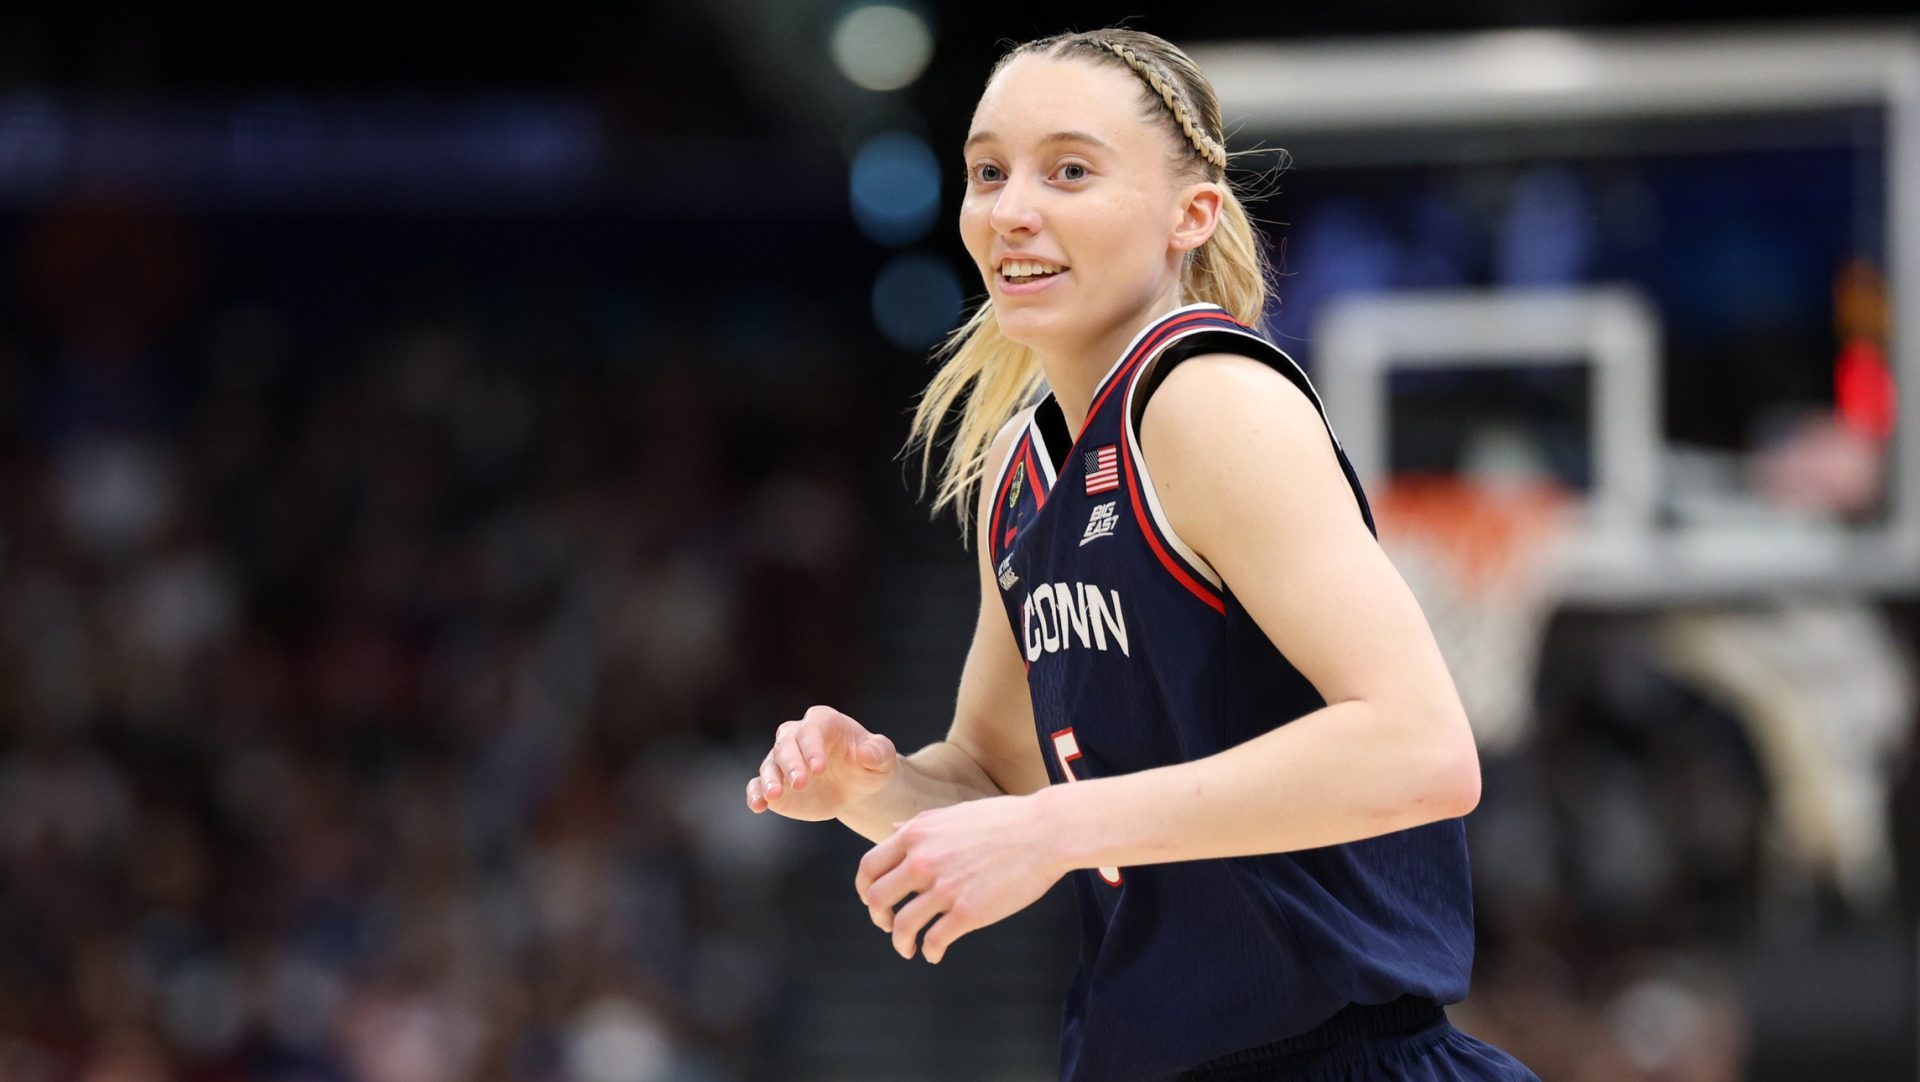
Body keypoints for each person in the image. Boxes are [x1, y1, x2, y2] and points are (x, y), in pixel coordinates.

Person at [746, 27, 1538, 1082]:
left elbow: (1422, 751)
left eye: (1069, 169)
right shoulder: (1021, 471)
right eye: (989, 171)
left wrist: (1058, 827)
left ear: (1191, 213)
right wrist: (870, 782)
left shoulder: (1208, 399)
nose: (1011, 206)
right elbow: (995, 784)